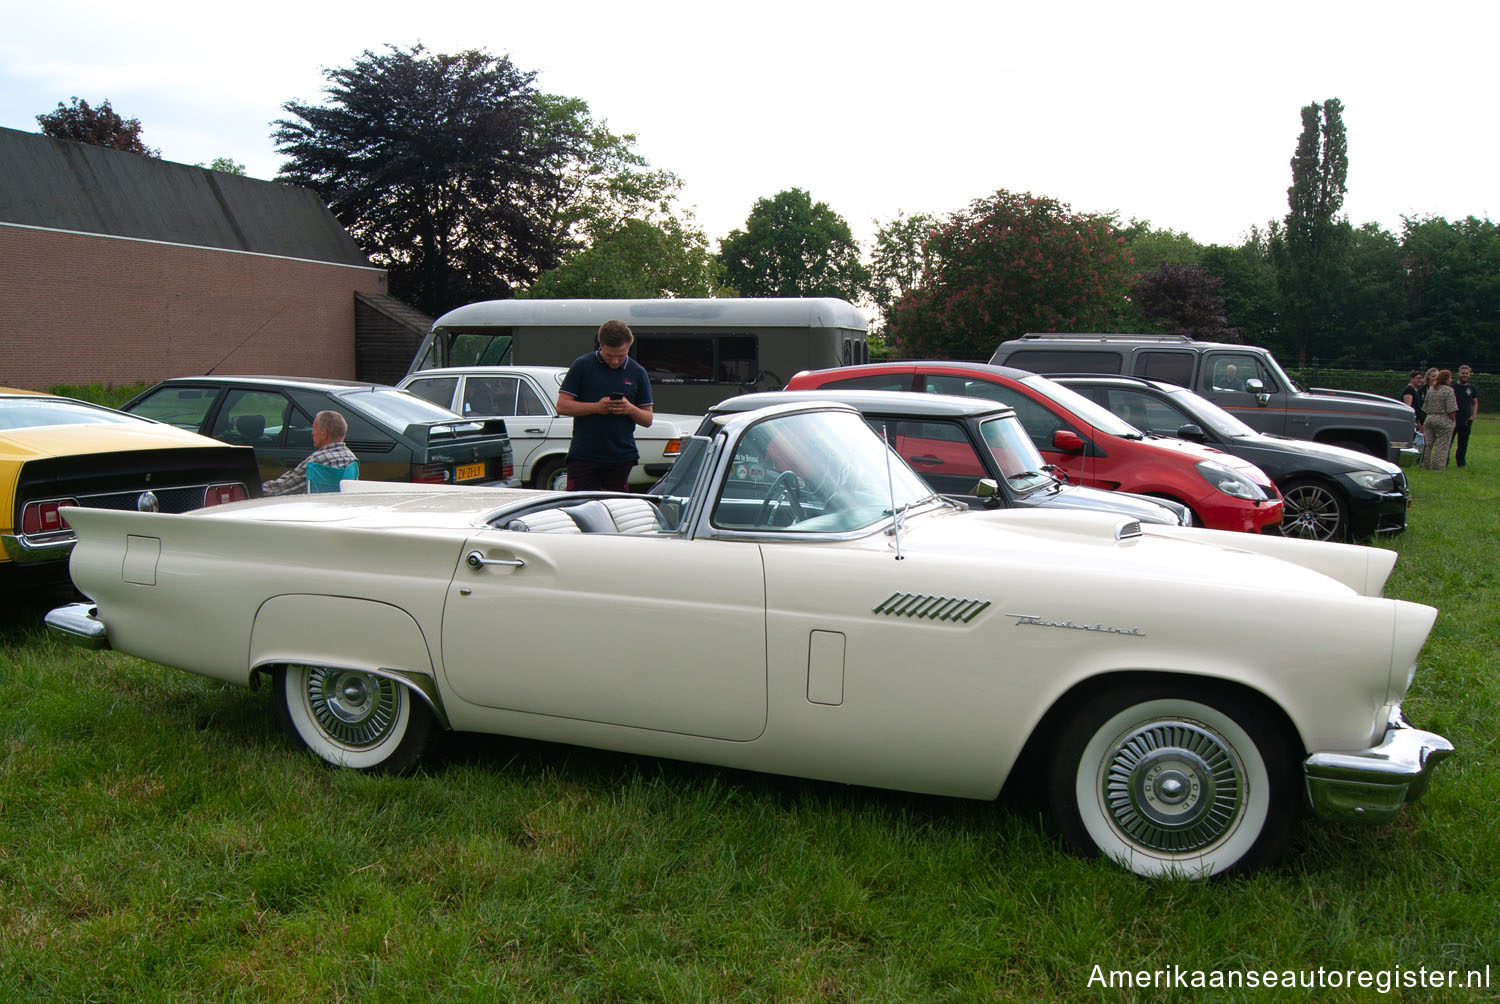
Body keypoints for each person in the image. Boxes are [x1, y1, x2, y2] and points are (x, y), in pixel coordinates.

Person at [556, 320, 653, 491]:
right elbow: (562, 406)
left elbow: (647, 419)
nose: (615, 361)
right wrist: (596, 408)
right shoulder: (582, 365)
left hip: (621, 457)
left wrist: (629, 409)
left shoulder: (638, 372)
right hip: (584, 455)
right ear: (600, 345)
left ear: (629, 347)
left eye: (621, 356)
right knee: (580, 509)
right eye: (609, 355)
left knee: (614, 511)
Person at [261, 410, 358, 496]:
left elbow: (282, 487)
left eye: (314, 428)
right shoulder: (352, 459)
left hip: (315, 510)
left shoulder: (318, 460)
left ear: (324, 434)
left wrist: (254, 489)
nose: (312, 433)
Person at [1419, 370, 1458, 472]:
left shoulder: (1431, 389)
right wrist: (1453, 420)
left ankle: (1424, 464)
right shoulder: (1449, 391)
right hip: (1443, 419)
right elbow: (1451, 408)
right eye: (1450, 378)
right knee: (1441, 445)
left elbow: (1425, 407)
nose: (1451, 380)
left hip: (1429, 418)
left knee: (1427, 444)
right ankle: (1438, 467)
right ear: (1445, 379)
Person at [1453, 364, 1479, 467]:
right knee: (1448, 442)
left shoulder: (1472, 388)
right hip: (1453, 419)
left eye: (1467, 373)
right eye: (1463, 373)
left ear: (1469, 375)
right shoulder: (1452, 388)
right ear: (1458, 374)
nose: (1465, 375)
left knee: (1463, 443)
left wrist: (1474, 416)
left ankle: (1461, 463)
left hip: (1466, 420)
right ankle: (1444, 462)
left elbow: (1475, 402)